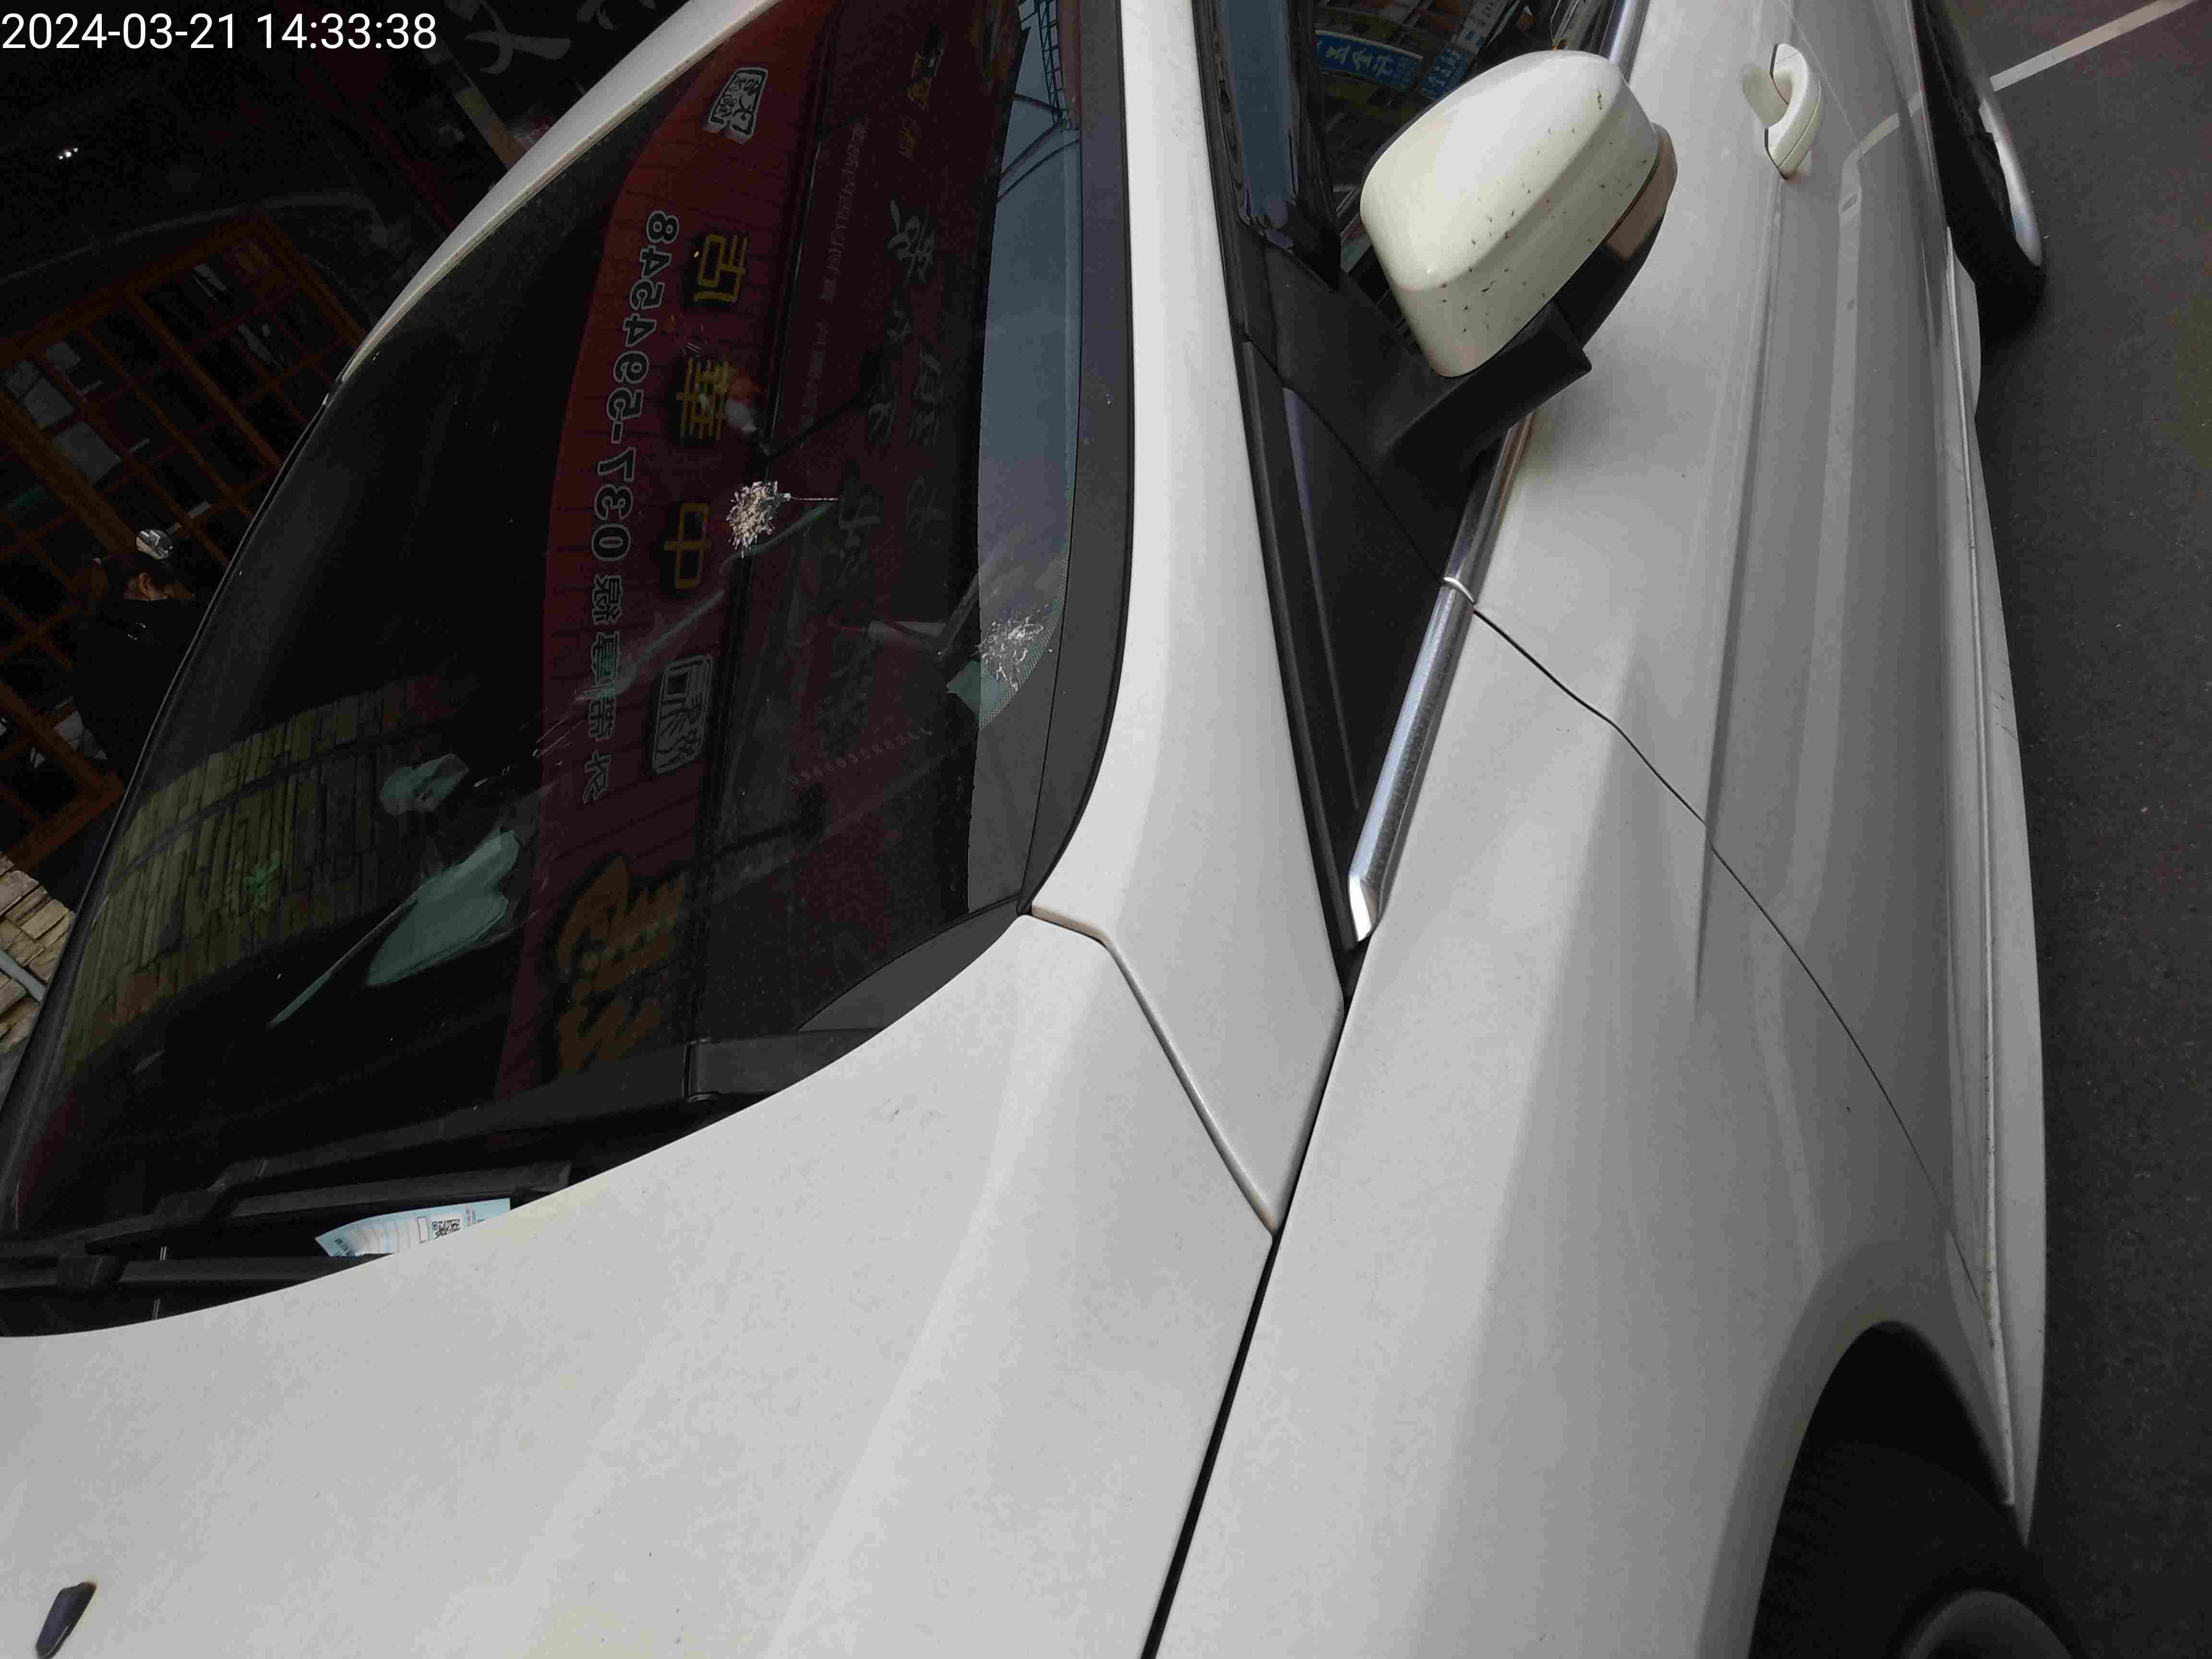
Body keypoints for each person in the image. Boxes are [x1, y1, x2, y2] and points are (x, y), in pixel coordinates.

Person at [70, 549, 203, 781]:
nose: (170, 598)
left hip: (149, 783)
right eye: (167, 593)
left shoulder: (85, 654)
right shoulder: (170, 621)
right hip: (204, 756)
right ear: (145, 584)